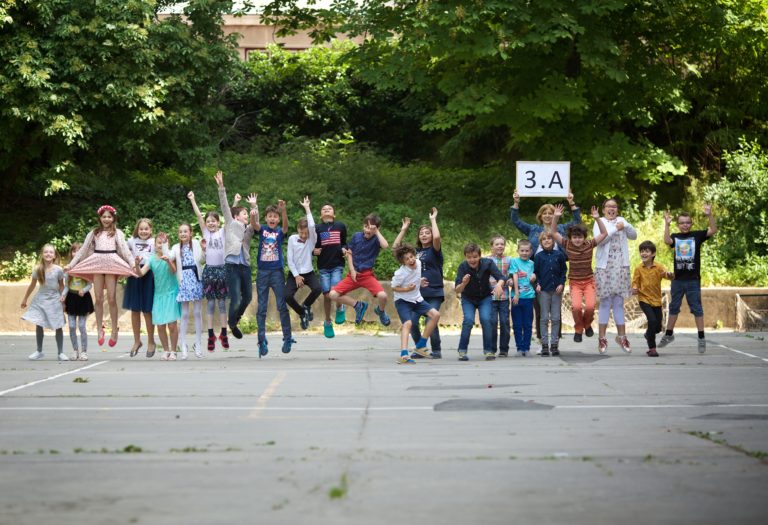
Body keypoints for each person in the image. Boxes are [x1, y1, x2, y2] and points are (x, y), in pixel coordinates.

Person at [510, 189, 582, 349]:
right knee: (539, 307)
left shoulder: (561, 228)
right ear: (540, 216)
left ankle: (555, 341)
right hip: (537, 273)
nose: (548, 215)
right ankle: (542, 341)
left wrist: (571, 202)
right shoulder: (534, 230)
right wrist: (516, 202)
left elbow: (577, 221)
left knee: (555, 308)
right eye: (545, 213)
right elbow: (516, 220)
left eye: (551, 213)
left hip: (556, 272)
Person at [65, 205, 136, 348]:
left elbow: (124, 250)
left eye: (109, 217)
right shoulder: (94, 233)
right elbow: (82, 250)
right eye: (104, 216)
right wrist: (71, 265)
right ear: (100, 218)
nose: (106, 219)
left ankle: (114, 330)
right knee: (98, 298)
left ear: (113, 218)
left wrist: (132, 263)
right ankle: (99, 329)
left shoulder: (117, 233)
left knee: (111, 298)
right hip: (97, 263)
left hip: (111, 263)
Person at [660, 205, 718, 353]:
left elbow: (713, 230)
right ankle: (668, 335)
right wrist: (666, 225)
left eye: (687, 222)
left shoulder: (697, 236)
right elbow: (667, 241)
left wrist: (709, 215)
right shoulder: (675, 236)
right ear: (678, 225)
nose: (685, 225)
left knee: (697, 308)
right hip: (678, 280)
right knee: (674, 307)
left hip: (693, 280)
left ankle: (701, 338)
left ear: (691, 223)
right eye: (682, 223)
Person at [549, 204, 608, 342]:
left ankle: (587, 324)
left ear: (584, 237)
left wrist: (598, 219)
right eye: (574, 237)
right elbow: (553, 232)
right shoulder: (567, 244)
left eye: (580, 237)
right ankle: (578, 328)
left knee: (590, 307)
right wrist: (555, 217)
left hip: (589, 282)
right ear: (570, 238)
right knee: (575, 307)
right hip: (575, 282)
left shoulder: (589, 244)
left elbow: (604, 234)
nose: (577, 240)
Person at [391, 208, 444, 359]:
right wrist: (403, 229)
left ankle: (436, 349)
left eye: (427, 232)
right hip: (415, 294)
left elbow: (437, 237)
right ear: (418, 237)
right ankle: (421, 348)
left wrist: (433, 219)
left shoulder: (435, 250)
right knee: (412, 322)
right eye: (421, 233)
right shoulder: (414, 254)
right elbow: (396, 248)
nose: (424, 235)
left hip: (433, 291)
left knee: (431, 317)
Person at [329, 213, 391, 327]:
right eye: (366, 227)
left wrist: (376, 232)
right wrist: (352, 270)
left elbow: (386, 246)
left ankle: (381, 312)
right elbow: (349, 252)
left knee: (383, 296)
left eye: (371, 228)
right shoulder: (357, 236)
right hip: (353, 274)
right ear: (363, 226)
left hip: (367, 275)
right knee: (333, 294)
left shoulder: (377, 239)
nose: (368, 230)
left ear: (377, 229)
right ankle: (358, 305)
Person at [215, 170, 256, 340]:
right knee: (236, 297)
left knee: (247, 297)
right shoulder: (231, 224)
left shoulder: (249, 230)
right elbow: (225, 206)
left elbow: (255, 222)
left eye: (247, 214)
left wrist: (254, 207)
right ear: (236, 216)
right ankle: (232, 324)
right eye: (244, 214)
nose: (246, 216)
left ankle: (234, 320)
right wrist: (221, 187)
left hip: (244, 266)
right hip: (231, 266)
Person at [593, 198, 637, 354]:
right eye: (608, 206)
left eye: (614, 206)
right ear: (604, 209)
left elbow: (634, 235)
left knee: (618, 302)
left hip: (621, 266)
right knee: (605, 303)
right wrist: (613, 229)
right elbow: (599, 241)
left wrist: (625, 225)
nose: (611, 209)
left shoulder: (622, 220)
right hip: (604, 267)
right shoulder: (599, 222)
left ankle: (622, 337)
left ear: (617, 209)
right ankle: (602, 338)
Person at [188, 191, 229, 352]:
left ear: (219, 223)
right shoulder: (205, 233)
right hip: (210, 272)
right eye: (208, 221)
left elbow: (228, 214)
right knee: (211, 303)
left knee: (222, 303)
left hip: (222, 271)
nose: (211, 223)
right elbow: (198, 216)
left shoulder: (223, 232)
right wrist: (193, 199)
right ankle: (211, 334)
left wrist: (233, 201)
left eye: (214, 221)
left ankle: (224, 333)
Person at [252, 198, 294, 356]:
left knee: (281, 306)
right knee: (261, 308)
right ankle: (261, 341)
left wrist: (283, 211)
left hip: (277, 272)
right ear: (266, 218)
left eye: (275, 217)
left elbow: (285, 226)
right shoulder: (262, 229)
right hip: (262, 272)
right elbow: (254, 224)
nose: (272, 219)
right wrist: (252, 214)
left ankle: (288, 337)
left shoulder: (279, 232)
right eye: (270, 216)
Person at [454, 243, 507, 361]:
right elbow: (457, 290)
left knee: (486, 319)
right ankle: (462, 351)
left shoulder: (487, 263)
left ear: (479, 256)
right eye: (469, 257)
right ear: (465, 257)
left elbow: (502, 277)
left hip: (485, 298)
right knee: (468, 320)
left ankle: (488, 351)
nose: (472, 260)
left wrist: (499, 284)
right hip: (468, 298)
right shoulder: (462, 267)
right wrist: (463, 283)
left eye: (474, 257)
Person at [391, 244, 441, 364]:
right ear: (403, 262)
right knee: (408, 323)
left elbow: (414, 277)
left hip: (417, 298)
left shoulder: (418, 263)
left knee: (436, 315)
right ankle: (404, 355)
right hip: (403, 300)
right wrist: (406, 289)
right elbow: (394, 288)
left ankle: (421, 345)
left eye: (412, 256)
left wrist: (419, 282)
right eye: (407, 259)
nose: (411, 260)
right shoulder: (400, 273)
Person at [135, 233, 181, 360]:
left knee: (172, 325)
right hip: (159, 296)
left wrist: (168, 261)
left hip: (171, 293)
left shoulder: (170, 256)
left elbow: (173, 271)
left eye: (163, 243)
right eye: (158, 243)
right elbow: (140, 274)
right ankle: (166, 350)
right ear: (154, 245)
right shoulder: (151, 259)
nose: (160, 245)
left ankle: (174, 351)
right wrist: (137, 264)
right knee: (160, 325)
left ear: (167, 244)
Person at [21, 244, 67, 361]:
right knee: (39, 323)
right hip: (40, 300)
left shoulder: (58, 270)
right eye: (46, 252)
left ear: (54, 255)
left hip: (55, 300)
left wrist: (64, 299)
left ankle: (60, 352)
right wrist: (25, 298)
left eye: (51, 252)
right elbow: (32, 285)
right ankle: (39, 351)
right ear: (42, 254)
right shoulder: (38, 269)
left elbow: (62, 286)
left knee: (58, 325)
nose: (48, 254)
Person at [285, 197, 323, 330]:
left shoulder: (311, 239)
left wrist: (307, 208)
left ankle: (306, 306)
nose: (303, 236)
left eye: (306, 233)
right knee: (287, 296)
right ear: (297, 229)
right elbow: (289, 259)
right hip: (294, 273)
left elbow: (312, 227)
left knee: (318, 289)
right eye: (301, 232)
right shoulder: (292, 239)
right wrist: (296, 276)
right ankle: (302, 312)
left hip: (308, 272)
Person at [632, 241, 674, 357]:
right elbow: (635, 282)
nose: (643, 253)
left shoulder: (658, 267)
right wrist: (634, 288)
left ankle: (648, 334)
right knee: (652, 321)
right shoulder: (638, 269)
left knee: (657, 328)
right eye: (642, 251)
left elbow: (666, 275)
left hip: (656, 300)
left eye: (646, 251)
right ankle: (652, 348)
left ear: (653, 253)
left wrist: (670, 275)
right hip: (644, 299)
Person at [170, 222, 205, 359]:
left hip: (196, 280)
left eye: (185, 231)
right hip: (184, 281)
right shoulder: (175, 247)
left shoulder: (196, 244)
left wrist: (204, 249)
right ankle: (183, 344)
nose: (183, 234)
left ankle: (198, 343)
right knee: (184, 314)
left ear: (190, 233)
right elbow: (169, 256)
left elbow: (202, 260)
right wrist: (164, 246)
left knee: (197, 312)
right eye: (181, 232)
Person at [314, 203, 348, 338]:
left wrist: (345, 248)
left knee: (335, 290)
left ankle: (340, 307)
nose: (326, 210)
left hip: (337, 265)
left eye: (329, 209)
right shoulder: (317, 228)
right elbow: (313, 246)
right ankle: (327, 321)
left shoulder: (340, 226)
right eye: (324, 209)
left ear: (334, 214)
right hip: (323, 267)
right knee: (327, 296)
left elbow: (345, 242)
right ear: (321, 215)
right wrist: (313, 251)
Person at [124, 218, 156, 358]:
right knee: (135, 310)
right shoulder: (131, 241)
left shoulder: (154, 242)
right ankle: (137, 341)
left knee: (147, 310)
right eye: (141, 229)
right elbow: (121, 252)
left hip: (149, 276)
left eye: (146, 229)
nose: (143, 231)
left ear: (151, 230)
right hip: (134, 276)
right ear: (137, 229)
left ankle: (151, 341)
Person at [534, 232, 567, 356]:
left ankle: (554, 344)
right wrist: (537, 283)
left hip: (556, 290)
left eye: (549, 238)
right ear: (540, 242)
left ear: (554, 241)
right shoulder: (538, 257)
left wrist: (561, 283)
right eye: (544, 239)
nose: (547, 241)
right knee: (543, 318)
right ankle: (544, 345)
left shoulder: (559, 255)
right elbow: (536, 272)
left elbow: (564, 270)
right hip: (543, 290)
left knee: (555, 317)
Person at [63, 242, 95, 361]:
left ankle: (84, 351)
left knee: (81, 326)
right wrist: (63, 296)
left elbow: (89, 284)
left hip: (83, 299)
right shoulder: (68, 269)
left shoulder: (86, 268)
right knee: (71, 326)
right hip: (71, 299)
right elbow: (66, 285)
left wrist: (84, 290)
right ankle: (75, 350)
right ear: (71, 253)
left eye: (79, 251)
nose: (76, 253)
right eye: (74, 251)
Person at [488, 235, 513, 357]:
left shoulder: (509, 260)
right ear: (492, 246)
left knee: (504, 322)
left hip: (504, 297)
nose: (499, 246)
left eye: (502, 244)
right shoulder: (486, 260)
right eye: (497, 244)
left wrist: (510, 281)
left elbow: (510, 276)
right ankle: (491, 349)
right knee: (492, 322)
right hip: (490, 297)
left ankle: (504, 349)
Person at [510, 240, 536, 356]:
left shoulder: (532, 264)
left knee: (528, 324)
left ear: (531, 252)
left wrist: (534, 277)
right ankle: (519, 348)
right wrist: (516, 293)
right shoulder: (514, 261)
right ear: (518, 251)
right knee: (517, 324)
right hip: (516, 297)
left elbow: (534, 276)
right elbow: (514, 276)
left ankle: (527, 347)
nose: (524, 253)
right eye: (522, 251)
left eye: (527, 251)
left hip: (529, 297)